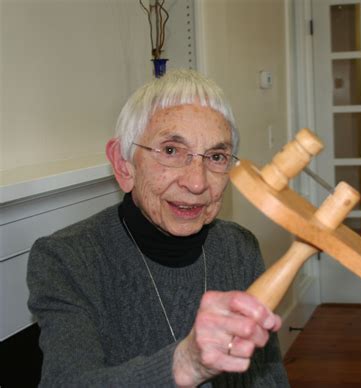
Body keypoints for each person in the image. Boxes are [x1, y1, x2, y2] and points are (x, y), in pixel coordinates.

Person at [27, 69, 290, 387]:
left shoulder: (239, 247)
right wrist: (186, 362)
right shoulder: (68, 258)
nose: (197, 182)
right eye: (170, 151)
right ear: (124, 165)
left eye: (217, 156)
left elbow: (268, 378)